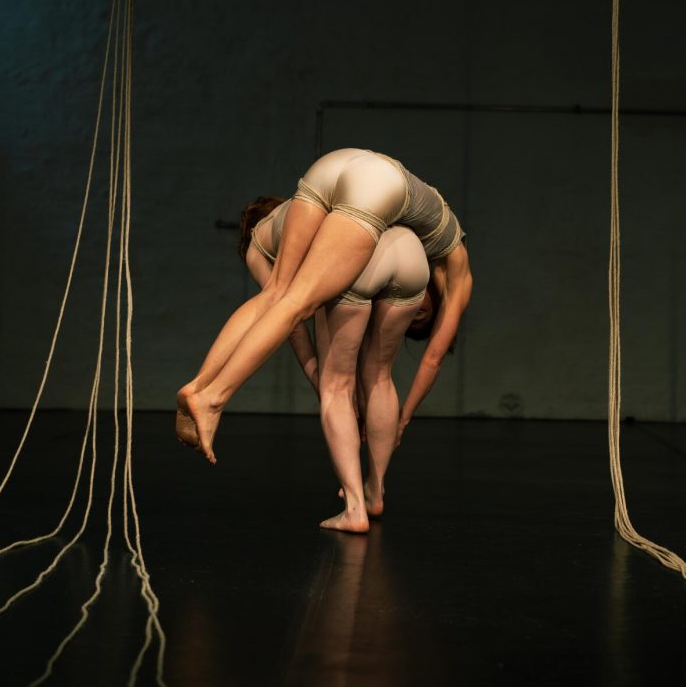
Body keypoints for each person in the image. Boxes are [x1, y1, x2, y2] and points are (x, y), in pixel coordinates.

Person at [176, 149, 472, 466]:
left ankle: (199, 385)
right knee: (296, 304)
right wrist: (403, 419)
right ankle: (213, 397)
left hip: (329, 168)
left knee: (277, 295)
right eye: (421, 318)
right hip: (377, 182)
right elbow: (433, 358)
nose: (415, 315)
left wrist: (327, 386)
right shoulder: (458, 270)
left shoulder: (418, 232)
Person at [226, 196, 429, 531]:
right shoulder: (314, 206)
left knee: (336, 386)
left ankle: (355, 508)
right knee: (380, 377)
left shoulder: (260, 244)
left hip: (355, 256)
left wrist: (319, 378)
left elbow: (288, 322)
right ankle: (375, 491)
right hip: (410, 253)